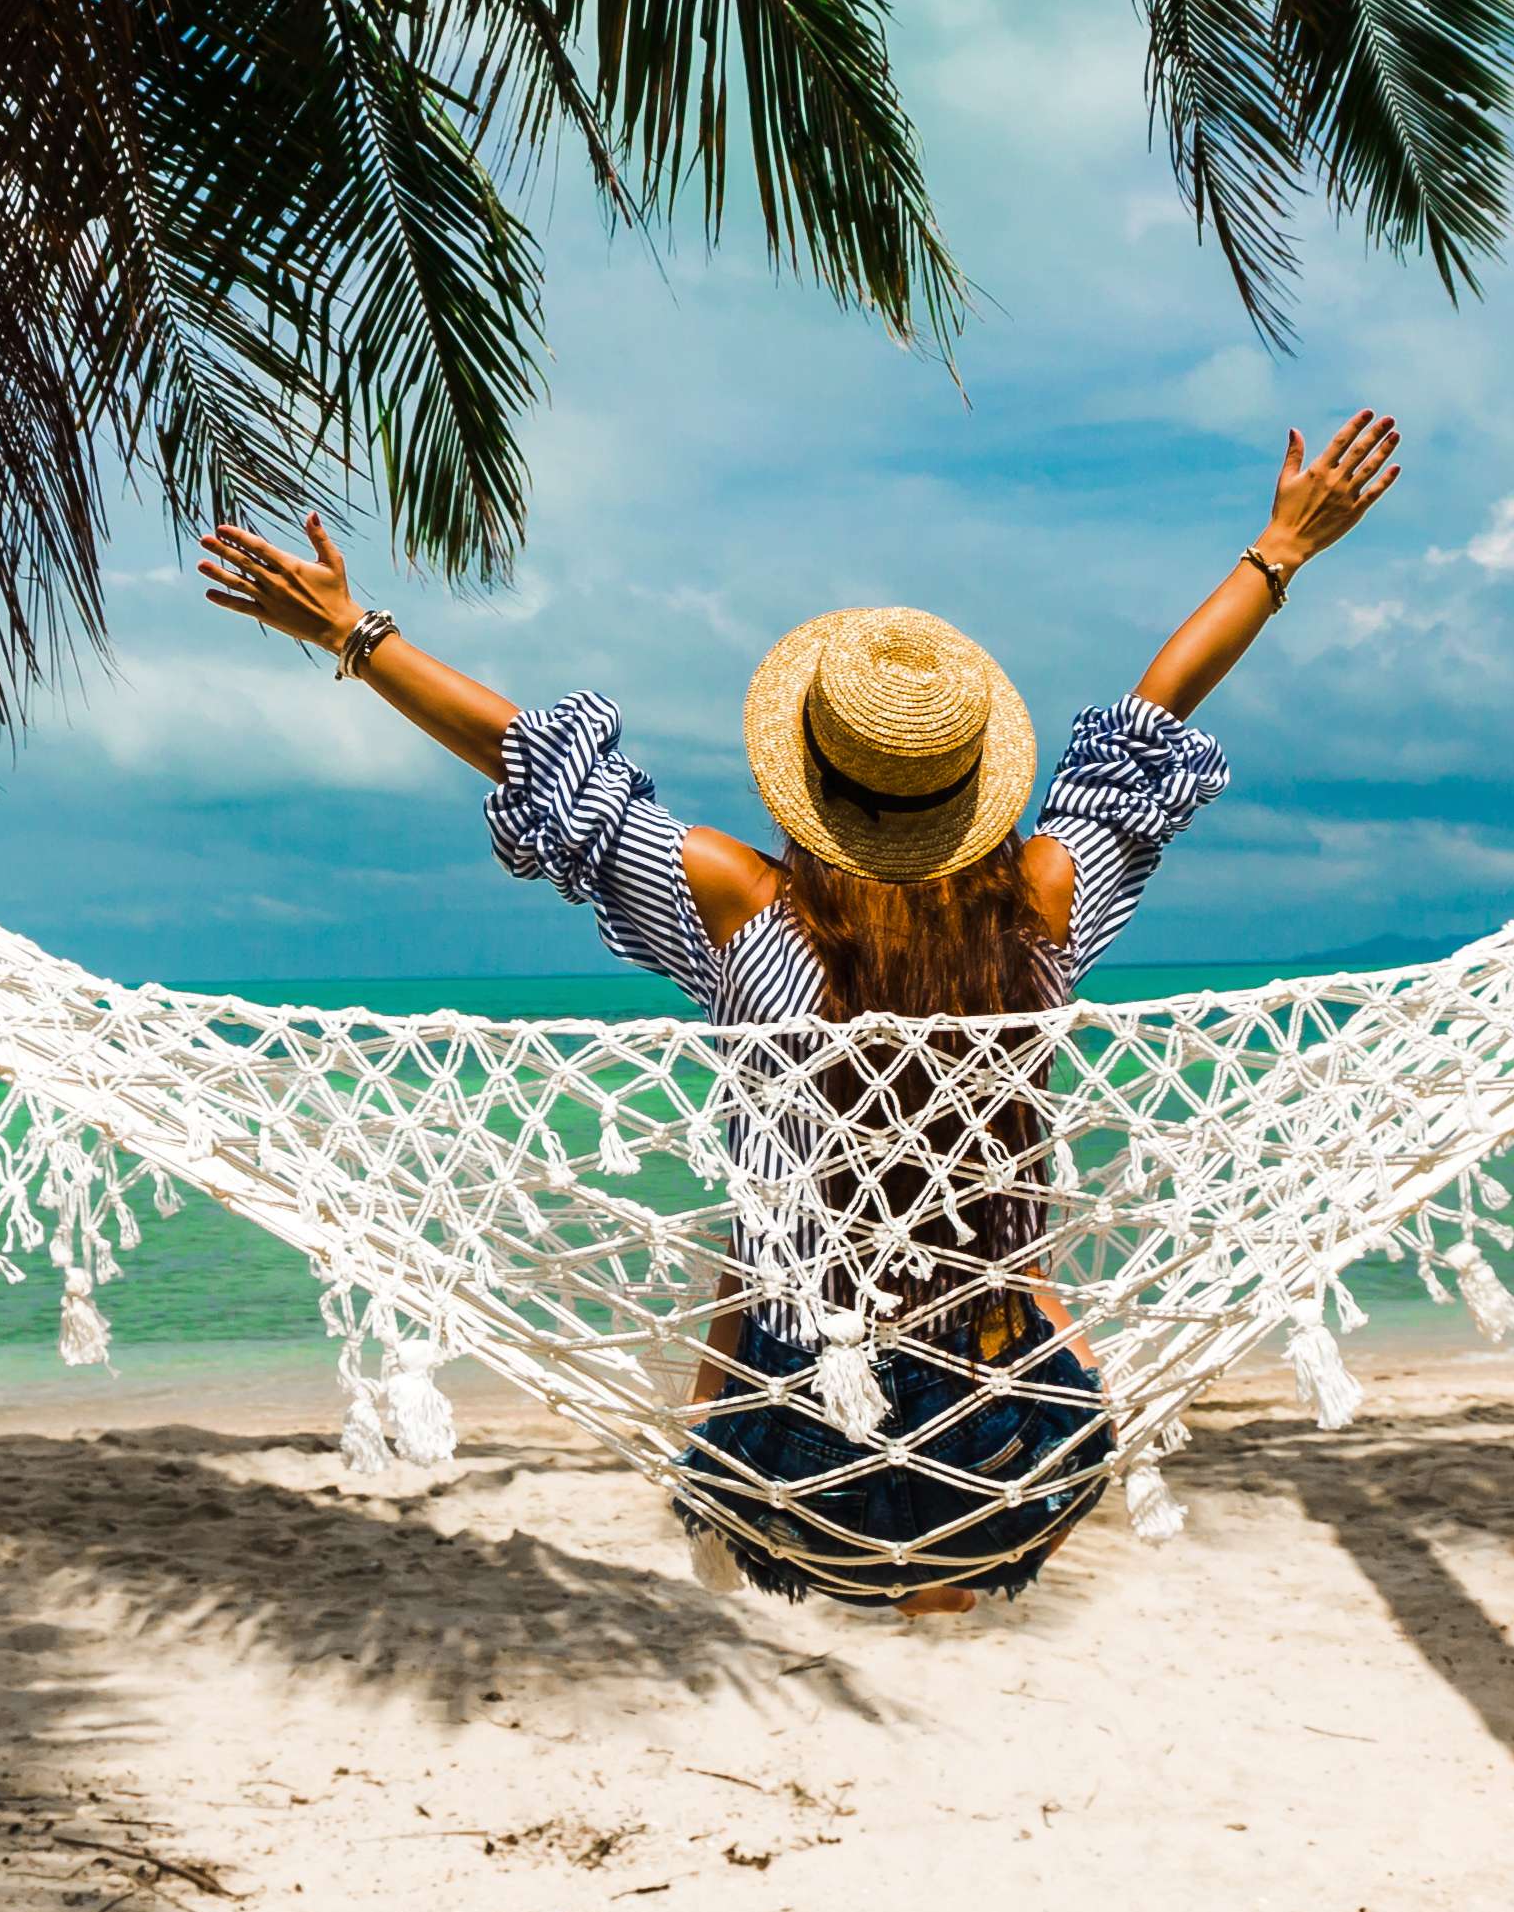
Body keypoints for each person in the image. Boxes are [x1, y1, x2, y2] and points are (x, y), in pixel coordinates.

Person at [196, 413, 1405, 1610]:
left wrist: (352, 630)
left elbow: (530, 762)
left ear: (810, 779)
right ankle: (945, 1583)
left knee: (771, 1275)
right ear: (975, 788)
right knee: (983, 1410)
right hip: (1014, 1424)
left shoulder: (743, 911)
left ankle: (882, 1560)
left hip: (795, 1437)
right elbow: (1153, 719)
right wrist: (1279, 550)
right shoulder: (1040, 907)